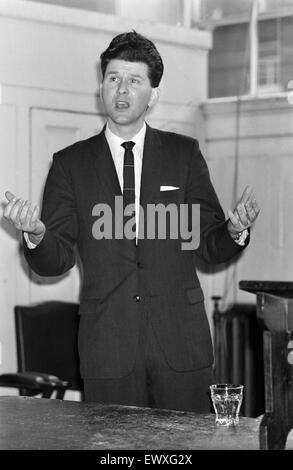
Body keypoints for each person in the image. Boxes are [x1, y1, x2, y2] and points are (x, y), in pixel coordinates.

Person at [3, 31, 260, 413]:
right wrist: (37, 236)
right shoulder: (70, 164)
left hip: (181, 345)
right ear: (101, 85)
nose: (121, 89)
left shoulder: (183, 154)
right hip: (108, 348)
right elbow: (56, 259)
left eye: (134, 80)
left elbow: (208, 242)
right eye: (113, 78)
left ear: (153, 94)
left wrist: (235, 231)